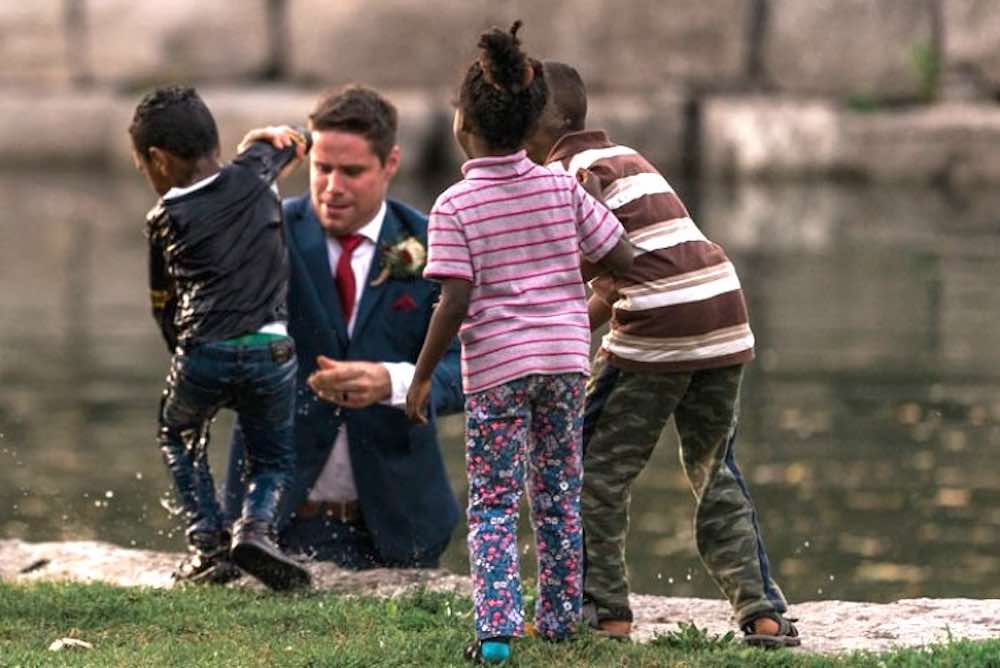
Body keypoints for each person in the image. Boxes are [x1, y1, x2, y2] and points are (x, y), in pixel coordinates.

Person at [523, 62, 801, 648]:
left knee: (588, 464)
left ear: (532, 123)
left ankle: (604, 609)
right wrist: (573, 324)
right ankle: (762, 611)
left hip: (661, 323)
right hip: (724, 311)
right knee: (714, 466)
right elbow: (615, 278)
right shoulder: (625, 158)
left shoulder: (562, 179)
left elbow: (597, 269)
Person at [406, 23, 633, 664]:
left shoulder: (454, 206)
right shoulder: (563, 187)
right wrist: (583, 230)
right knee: (559, 493)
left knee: (495, 501)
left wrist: (423, 374)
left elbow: (454, 301)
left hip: (498, 369)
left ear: (463, 126)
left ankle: (498, 632)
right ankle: (560, 620)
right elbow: (620, 251)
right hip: (564, 360)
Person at [224, 85, 465, 570]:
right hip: (274, 524)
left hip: (400, 526)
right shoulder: (267, 232)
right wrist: (245, 180)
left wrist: (396, 382)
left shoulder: (433, 243)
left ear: (390, 163)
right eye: (322, 168)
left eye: (352, 172)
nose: (333, 186)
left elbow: (473, 367)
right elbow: (207, 276)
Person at [130, 85, 311, 591]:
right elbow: (299, 139)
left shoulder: (163, 218)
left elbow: (162, 302)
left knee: (177, 433)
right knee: (271, 456)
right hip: (272, 351)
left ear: (158, 160)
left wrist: (183, 355)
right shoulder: (256, 170)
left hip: (202, 350)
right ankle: (255, 529)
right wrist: (264, 137)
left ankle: (209, 542)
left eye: (141, 165)